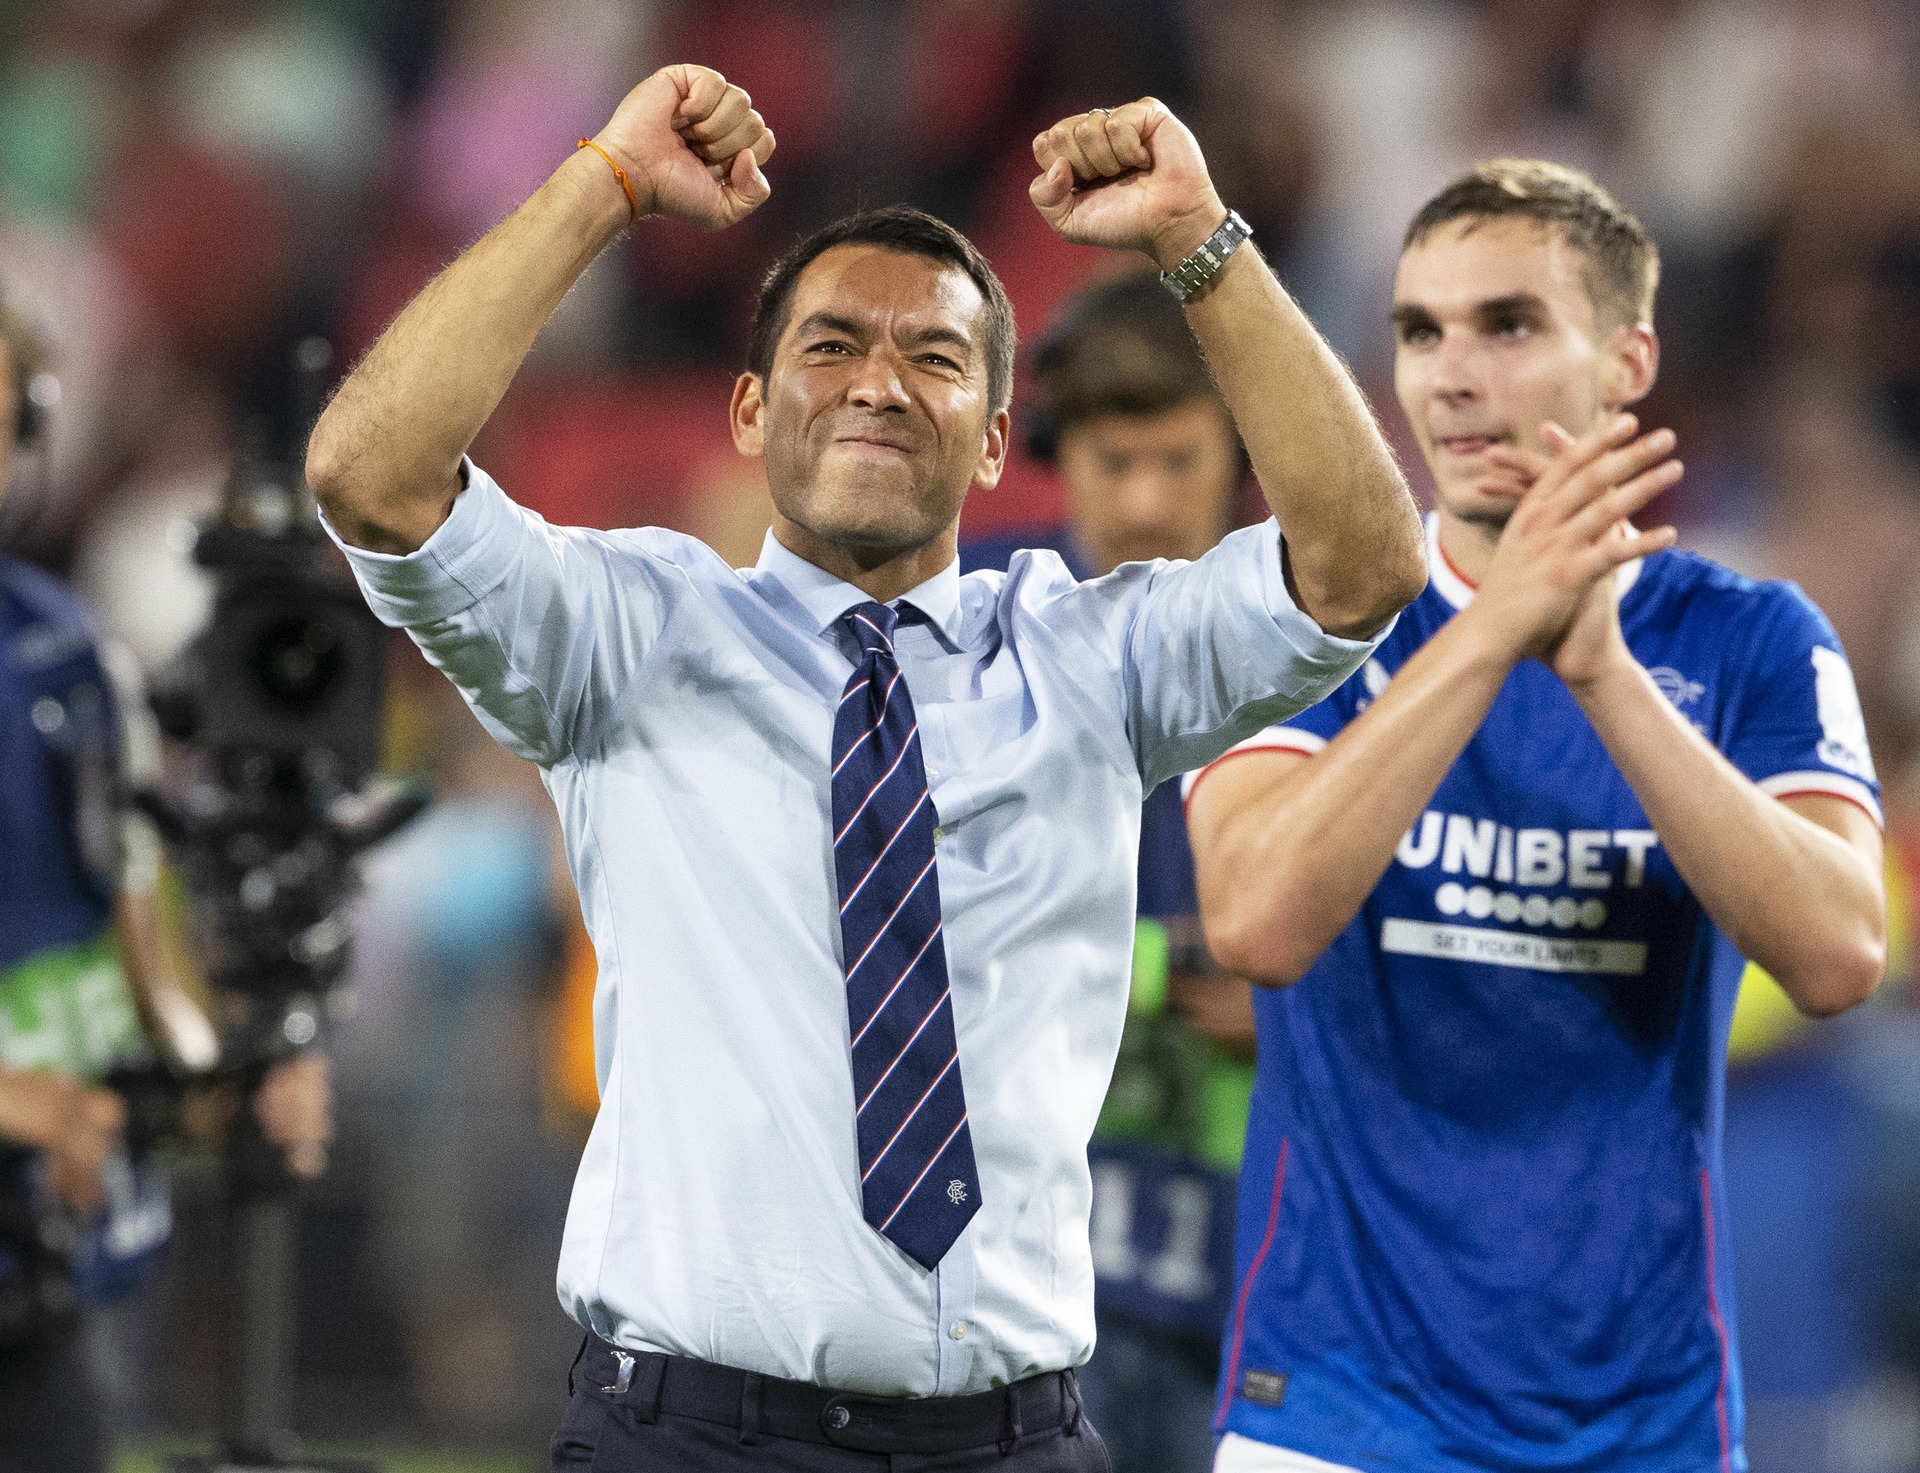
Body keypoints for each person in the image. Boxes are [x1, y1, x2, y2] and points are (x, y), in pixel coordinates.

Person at [305, 64, 1426, 1471]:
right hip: (691, 1433)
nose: (881, 384)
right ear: (747, 411)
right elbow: (369, 474)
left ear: (998, 440)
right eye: (831, 346)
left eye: (938, 358)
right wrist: (600, 185)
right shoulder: (629, 635)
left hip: (1015, 1437)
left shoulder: (1092, 657)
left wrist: (1203, 236)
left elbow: (1367, 566)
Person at [1185, 159, 1888, 1473]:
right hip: (1335, 1417)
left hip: (1646, 1426)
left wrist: (1606, 677)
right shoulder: (1298, 621)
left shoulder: (1747, 642)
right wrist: (1490, 627)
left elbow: (1841, 951)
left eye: (1507, 326)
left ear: (1626, 361)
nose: (1451, 374)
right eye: (1418, 330)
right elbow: (1255, 920)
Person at [0, 296, 333, 1472]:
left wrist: (225, 1080)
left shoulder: (70, 652)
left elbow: (142, 938)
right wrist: (16, 1098)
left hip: (57, 1252)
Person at [964, 273, 1257, 1473]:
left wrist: (1300, 999)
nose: (1144, 500)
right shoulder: (963, 618)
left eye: (1178, 461)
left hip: (1242, 1262)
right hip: (1011, 1242)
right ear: (1051, 454)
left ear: (1239, 458)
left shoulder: (1316, 633)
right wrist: (1174, 974)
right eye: (1110, 460)